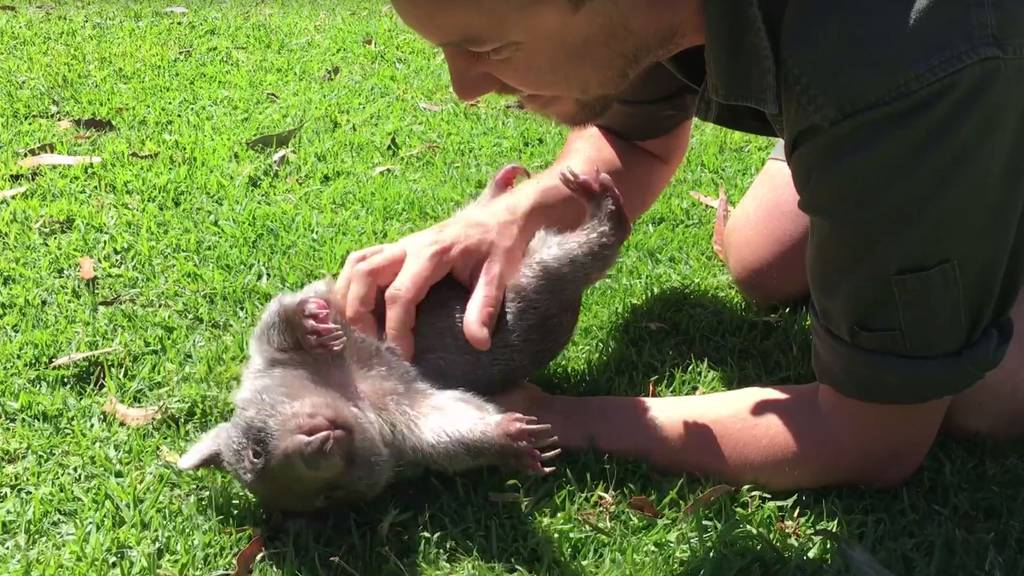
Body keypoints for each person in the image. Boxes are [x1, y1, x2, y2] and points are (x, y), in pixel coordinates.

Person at [334, 0, 1024, 490]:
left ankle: (933, 166)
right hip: (901, 94)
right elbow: (634, 138)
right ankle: (885, 166)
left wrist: (555, 417)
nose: (463, 88)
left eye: (488, 48)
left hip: (938, 75)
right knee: (760, 261)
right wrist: (509, 214)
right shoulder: (646, 14)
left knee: (982, 399)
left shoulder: (896, 68)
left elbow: (874, 440)